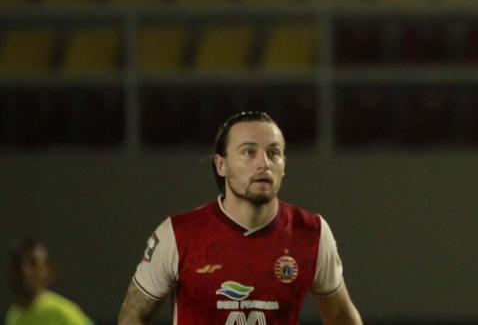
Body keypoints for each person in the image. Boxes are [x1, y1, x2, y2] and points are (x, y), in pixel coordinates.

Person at [117, 111, 363, 325]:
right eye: (249, 152)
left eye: (273, 153)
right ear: (221, 165)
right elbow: (133, 316)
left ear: (284, 166)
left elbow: (341, 315)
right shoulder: (177, 234)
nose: (264, 163)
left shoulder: (311, 232)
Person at [6, 239, 90, 325]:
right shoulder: (13, 314)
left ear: (48, 270)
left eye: (33, 264)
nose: (24, 271)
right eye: (18, 264)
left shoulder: (65, 314)